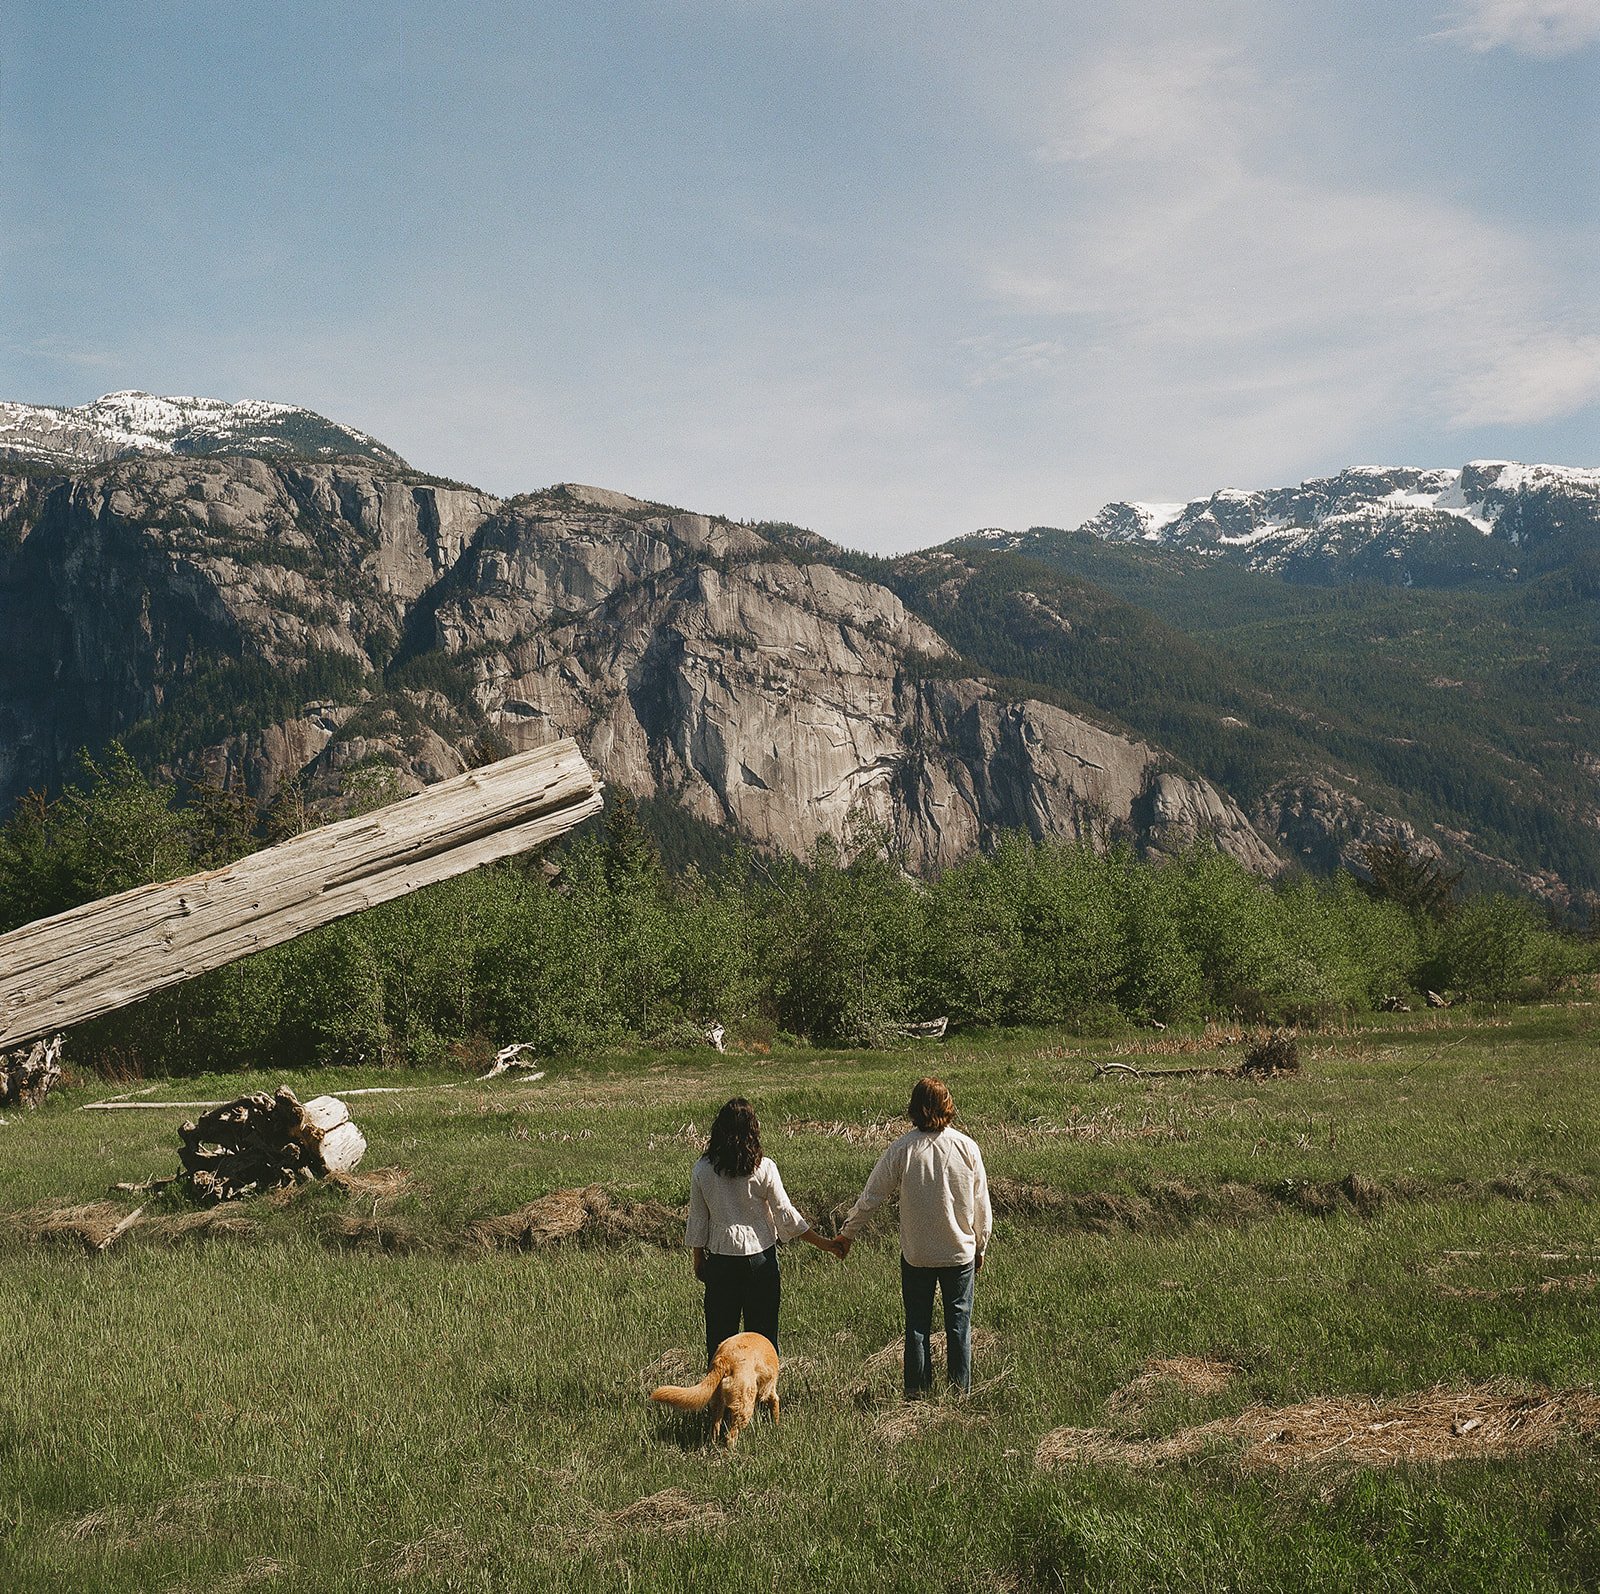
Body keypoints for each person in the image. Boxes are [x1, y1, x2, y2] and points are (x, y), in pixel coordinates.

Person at [837, 1077, 991, 1398]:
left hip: (917, 1255)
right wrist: (980, 1246)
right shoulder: (967, 1147)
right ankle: (958, 1393)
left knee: (917, 1327)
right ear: (948, 1106)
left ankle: (915, 1394)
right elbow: (982, 1207)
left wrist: (848, 1233)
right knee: (958, 1326)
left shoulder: (902, 1149)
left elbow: (871, 1197)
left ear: (914, 1109)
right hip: (958, 1253)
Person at [685, 1097, 843, 1368]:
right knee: (763, 1336)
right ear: (752, 1131)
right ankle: (761, 1394)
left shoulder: (703, 1169)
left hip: (721, 1260)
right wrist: (825, 1243)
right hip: (760, 1259)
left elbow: (699, 1219)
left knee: (720, 1340)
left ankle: (721, 1401)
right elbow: (786, 1215)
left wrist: (698, 1259)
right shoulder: (764, 1167)